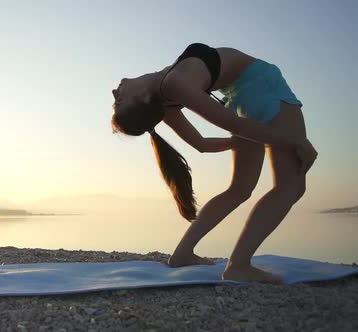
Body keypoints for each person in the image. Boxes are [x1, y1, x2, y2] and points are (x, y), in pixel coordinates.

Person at [111, 43, 317, 284]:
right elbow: (233, 126)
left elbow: (202, 143)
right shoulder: (174, 83)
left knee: (239, 190)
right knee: (289, 187)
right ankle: (239, 265)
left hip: (241, 101)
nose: (115, 94)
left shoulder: (166, 100)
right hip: (263, 89)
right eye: (120, 102)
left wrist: (237, 144)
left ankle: (182, 254)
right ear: (144, 98)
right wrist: (295, 141)